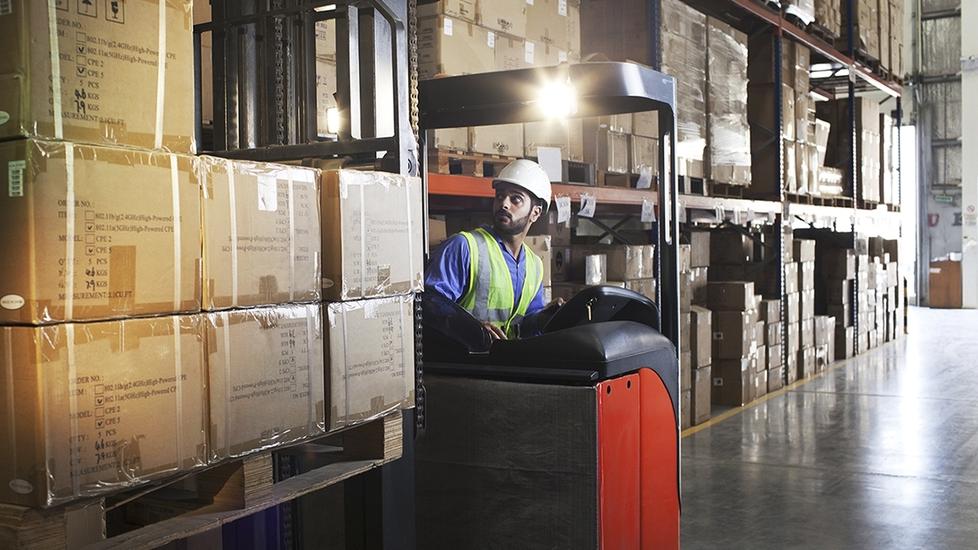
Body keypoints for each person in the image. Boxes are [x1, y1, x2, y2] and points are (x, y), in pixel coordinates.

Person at [426, 159, 558, 340]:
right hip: (463, 363)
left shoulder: (534, 265)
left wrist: (549, 317)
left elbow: (526, 324)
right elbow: (430, 305)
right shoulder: (465, 247)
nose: (504, 204)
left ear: (535, 212)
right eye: (500, 196)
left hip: (505, 363)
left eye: (515, 199)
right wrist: (471, 329)